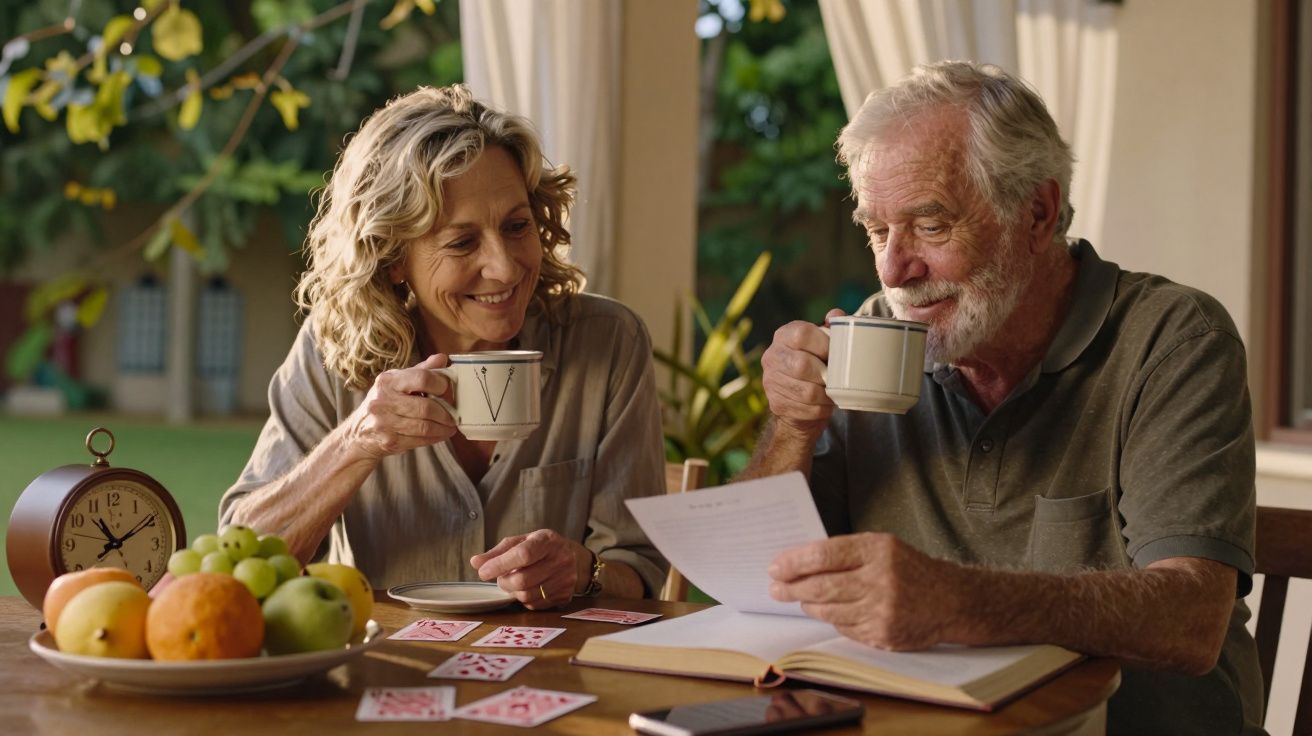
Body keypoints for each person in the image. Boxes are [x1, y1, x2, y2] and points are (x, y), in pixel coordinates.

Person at [743, 61, 1263, 734]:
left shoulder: (1172, 339)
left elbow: (1191, 620)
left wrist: (957, 600)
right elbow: (758, 581)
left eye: (929, 226)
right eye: (877, 231)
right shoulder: (877, 336)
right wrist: (791, 427)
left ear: (1037, 213)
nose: (896, 269)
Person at [219, 85, 667, 609]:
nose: (504, 267)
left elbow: (637, 569)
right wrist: (357, 444)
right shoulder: (331, 350)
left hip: (550, 673)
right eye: (462, 242)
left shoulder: (608, 343)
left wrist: (582, 570)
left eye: (517, 226)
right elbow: (237, 563)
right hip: (388, 671)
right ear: (392, 257)